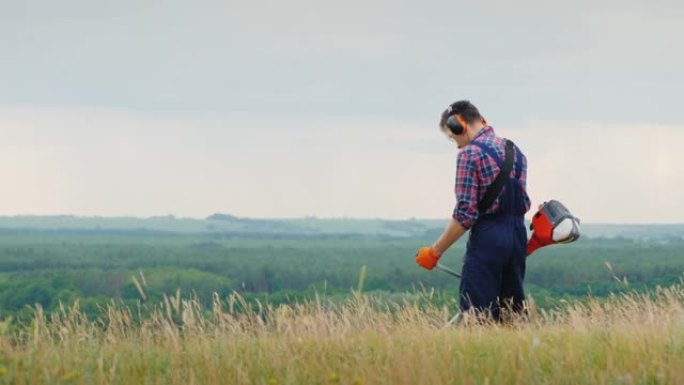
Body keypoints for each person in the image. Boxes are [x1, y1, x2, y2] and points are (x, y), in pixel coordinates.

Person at [415, 100, 531, 321]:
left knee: (477, 317)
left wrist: (435, 251)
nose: (457, 144)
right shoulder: (515, 151)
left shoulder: (469, 155)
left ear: (459, 124)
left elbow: (465, 215)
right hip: (517, 237)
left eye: (453, 137)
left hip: (489, 239)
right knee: (512, 317)